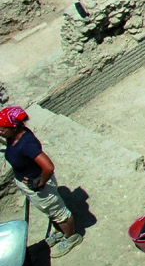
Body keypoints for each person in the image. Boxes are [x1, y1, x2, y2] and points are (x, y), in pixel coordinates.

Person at [1, 107, 84, 258]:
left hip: (40, 187)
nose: (0, 132)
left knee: (59, 213)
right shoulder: (13, 136)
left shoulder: (27, 144)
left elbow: (48, 166)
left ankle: (72, 237)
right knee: (50, 211)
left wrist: (40, 183)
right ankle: (60, 232)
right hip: (27, 183)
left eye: (2, 130)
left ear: (13, 127)